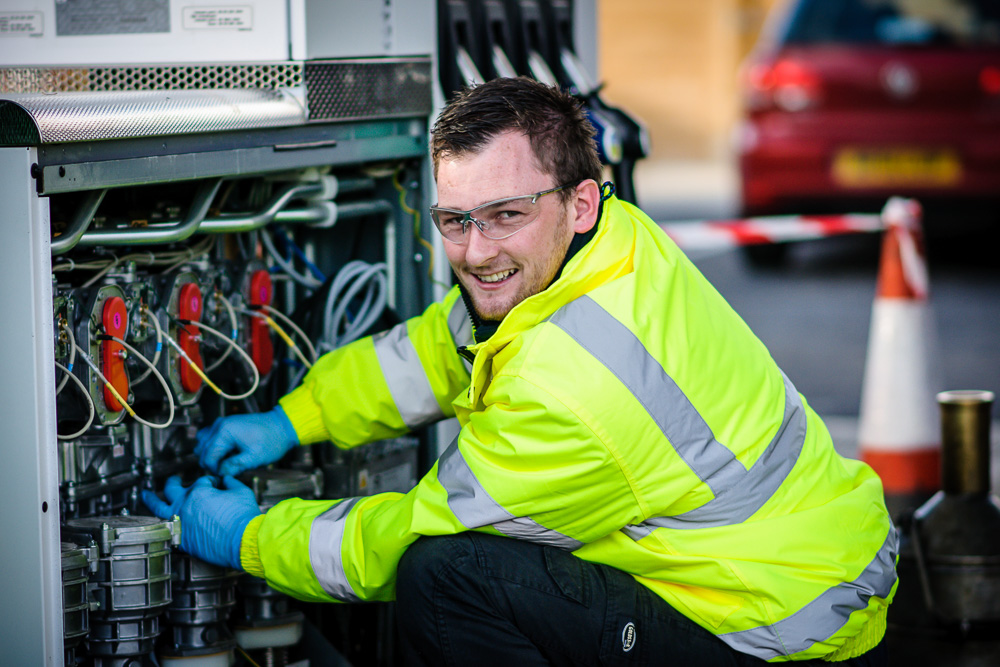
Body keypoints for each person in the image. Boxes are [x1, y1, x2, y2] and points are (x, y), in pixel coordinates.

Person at [144, 76, 897, 665]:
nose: (474, 252)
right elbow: (438, 348)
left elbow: (398, 542)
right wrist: (293, 418)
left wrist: (247, 539)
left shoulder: (572, 391)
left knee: (446, 578)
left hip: (784, 631)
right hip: (791, 565)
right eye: (455, 219)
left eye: (506, 214)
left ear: (578, 202)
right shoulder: (605, 246)